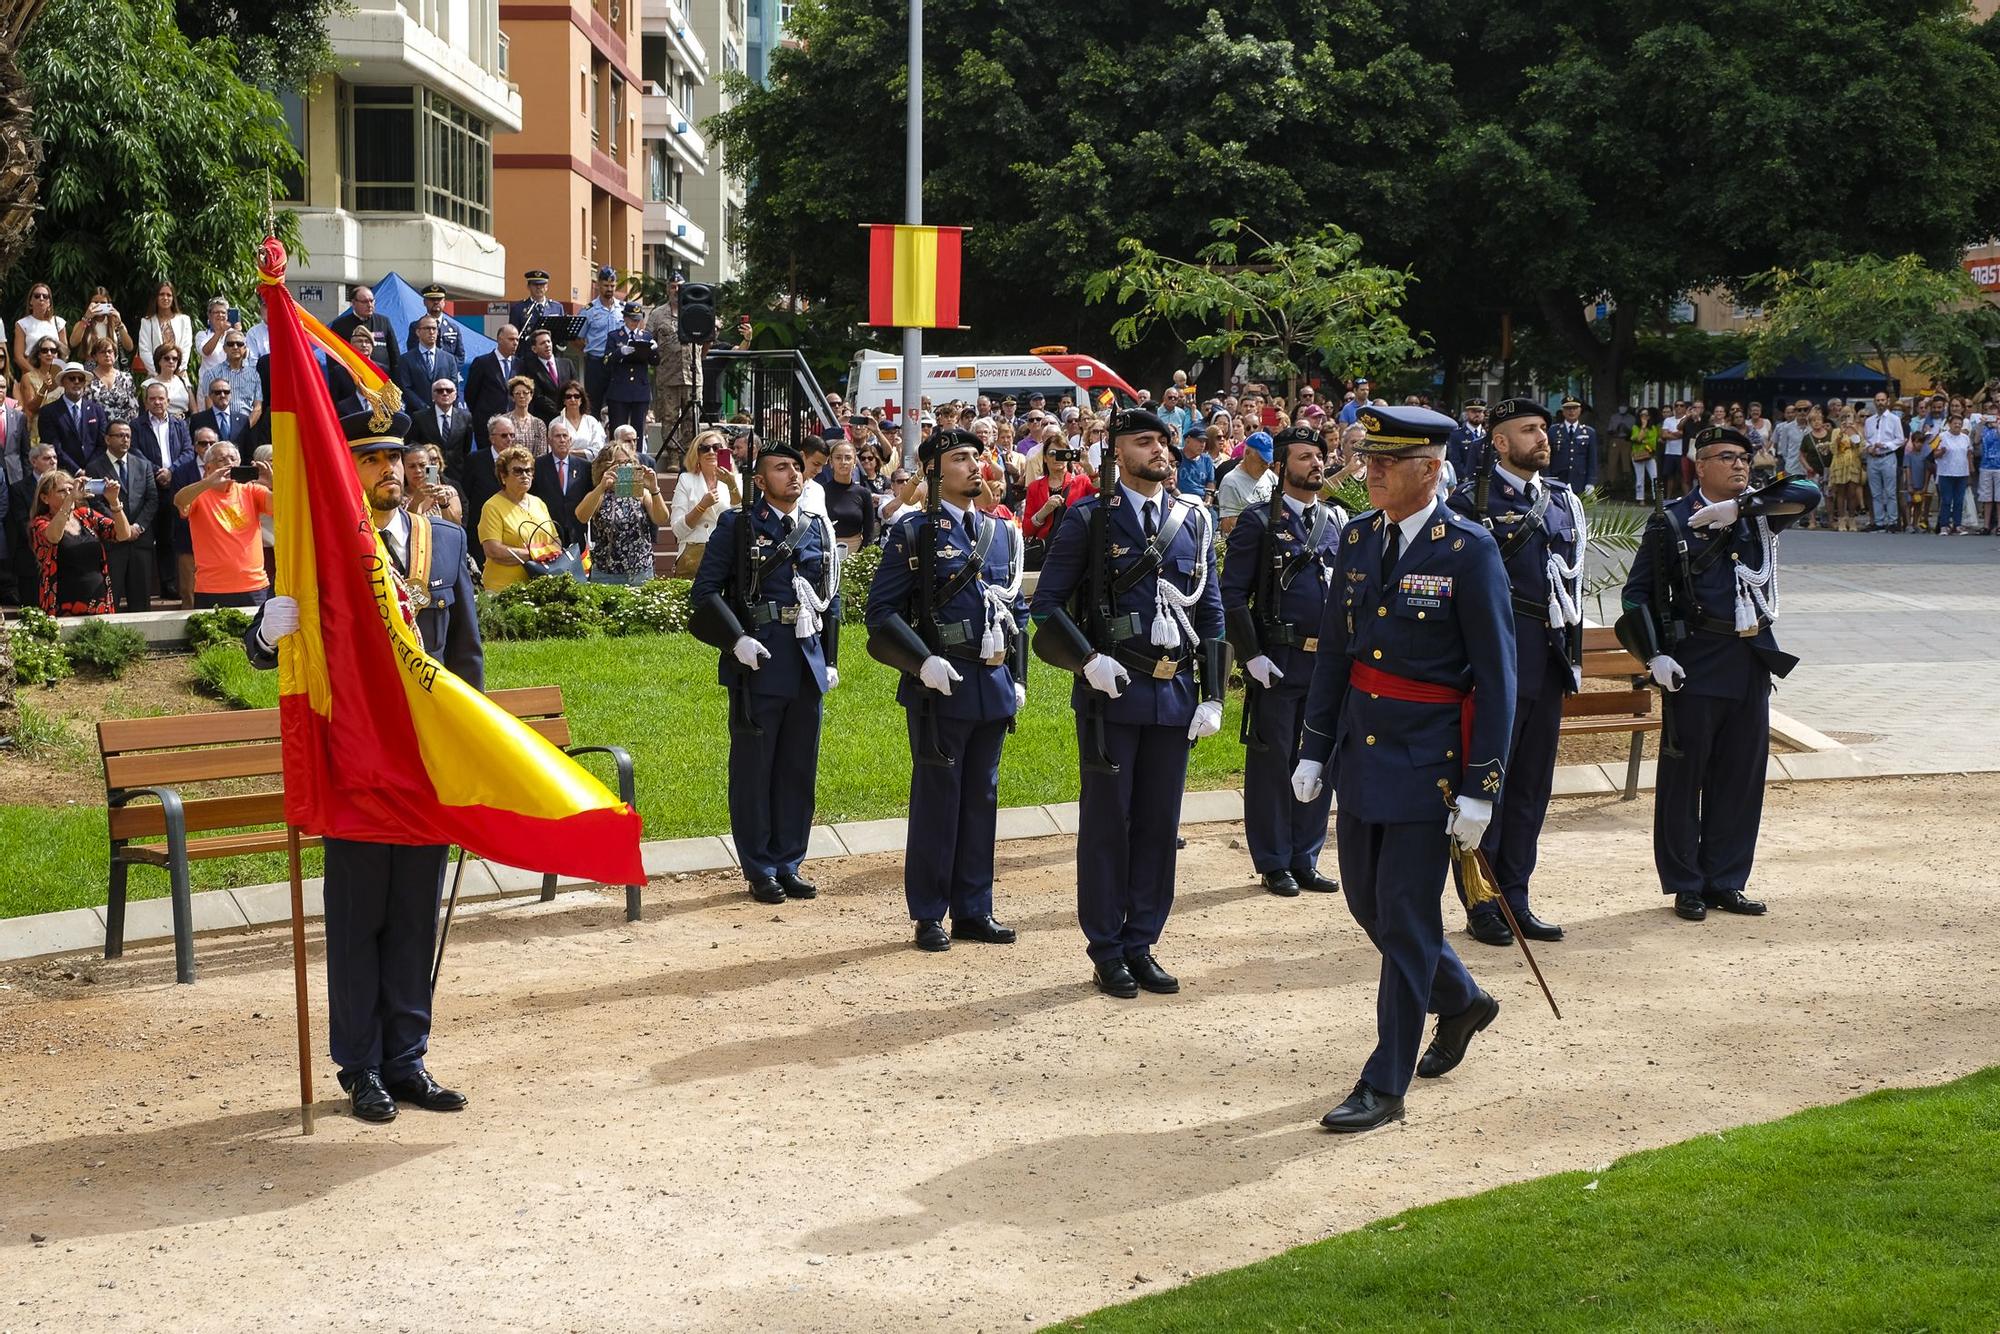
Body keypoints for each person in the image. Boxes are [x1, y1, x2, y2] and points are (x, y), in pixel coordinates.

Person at [244, 404, 481, 1123]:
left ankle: (407, 1058)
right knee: (358, 922)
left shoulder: (442, 542)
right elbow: (271, 653)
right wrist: (264, 629)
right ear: (347, 469)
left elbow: (465, 657)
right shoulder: (320, 550)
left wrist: (469, 758)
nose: (386, 471)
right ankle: (361, 1066)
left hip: (422, 767)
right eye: (370, 460)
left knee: (413, 918)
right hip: (353, 763)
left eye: (393, 458)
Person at [1290, 404, 1516, 1133]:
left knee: (1408, 916)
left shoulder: (1469, 549)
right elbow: (1335, 653)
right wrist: (1314, 745)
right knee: (1368, 905)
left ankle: (1384, 1081)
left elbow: (1498, 678)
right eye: (1369, 460)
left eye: (1388, 462)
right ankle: (1462, 998)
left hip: (1430, 767)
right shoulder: (1358, 538)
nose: (1372, 472)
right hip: (1362, 753)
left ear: (1431, 469)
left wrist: (1482, 787)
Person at [1028, 408, 1227, 999]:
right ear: (1117, 453)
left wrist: (1214, 693)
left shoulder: (1194, 520)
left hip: (1174, 696)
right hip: (1111, 694)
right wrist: (1089, 659)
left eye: (1164, 441)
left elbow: (1210, 611)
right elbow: (1047, 606)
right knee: (1108, 826)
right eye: (1145, 442)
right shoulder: (1091, 519)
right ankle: (1107, 949)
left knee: (1160, 826)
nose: (1160, 450)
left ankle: (1142, 941)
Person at [1618, 426, 1819, 923]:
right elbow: (1636, 594)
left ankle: (1726, 880)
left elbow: (1810, 492)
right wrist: (1654, 656)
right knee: (1686, 779)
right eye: (1726, 457)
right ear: (1700, 465)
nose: (1740, 466)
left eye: (1745, 457)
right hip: (1696, 661)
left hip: (1749, 660)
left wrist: (1742, 509)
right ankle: (1687, 883)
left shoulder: (1760, 512)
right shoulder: (1670, 521)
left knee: (1740, 778)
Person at [864, 427, 1027, 952]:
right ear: (933, 472)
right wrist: (921, 661)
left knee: (983, 798)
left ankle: (974, 908)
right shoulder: (913, 532)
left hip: (992, 682)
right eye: (961, 459)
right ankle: (930, 912)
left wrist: (1018, 677)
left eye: (977, 457)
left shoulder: (1000, 532)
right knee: (939, 800)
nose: (976, 466)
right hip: (941, 683)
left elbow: (1015, 610)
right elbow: (881, 613)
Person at [1445, 398, 1580, 947]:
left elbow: (1568, 586)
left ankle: (1516, 895)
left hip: (1546, 661)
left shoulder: (1562, 502)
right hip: (1494, 660)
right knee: (1484, 784)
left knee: (1530, 788)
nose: (1541, 438)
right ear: (1499, 442)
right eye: (1528, 430)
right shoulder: (1470, 500)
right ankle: (1481, 901)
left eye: (1544, 429)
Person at [689, 437, 842, 905]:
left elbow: (831, 598)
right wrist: (737, 640)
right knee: (755, 771)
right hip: (758, 662)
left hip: (805, 662)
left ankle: (789, 861)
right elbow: (705, 593)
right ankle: (759, 867)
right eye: (780, 468)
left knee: (798, 768)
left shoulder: (817, 529)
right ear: (759, 481)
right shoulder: (737, 526)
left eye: (797, 467)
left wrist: (831, 659)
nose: (793, 474)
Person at [1222, 424, 1346, 898]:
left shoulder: (1337, 522)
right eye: (1303, 457)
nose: (1314, 463)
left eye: (1318, 455)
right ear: (1280, 466)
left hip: (1326, 665)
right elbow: (1232, 596)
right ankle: (1274, 860)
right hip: (1277, 660)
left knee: (1318, 759)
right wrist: (1251, 655)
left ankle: (1306, 855)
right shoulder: (1257, 522)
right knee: (1273, 764)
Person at [173, 439, 275, 608]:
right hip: (212, 589)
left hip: (254, 586)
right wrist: (207, 482)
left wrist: (273, 483)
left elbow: (283, 507)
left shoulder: (251, 490)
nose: (229, 463)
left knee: (253, 634)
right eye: (222, 460)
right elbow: (179, 501)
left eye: (233, 459)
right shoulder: (199, 494)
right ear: (208, 468)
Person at [29, 467, 130, 615]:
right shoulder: (40, 522)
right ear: (45, 498)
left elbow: (123, 534)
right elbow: (53, 536)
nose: (70, 493)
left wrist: (114, 501)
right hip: (62, 605)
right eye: (62, 491)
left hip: (99, 601)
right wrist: (69, 501)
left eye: (71, 489)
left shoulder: (85, 515)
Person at [82, 419, 159, 611]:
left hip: (140, 540)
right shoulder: (94, 467)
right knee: (111, 596)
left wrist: (137, 527)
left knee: (141, 599)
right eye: (119, 435)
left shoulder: (143, 465)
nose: (125, 440)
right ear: (107, 439)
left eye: (128, 436)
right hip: (112, 542)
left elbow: (152, 500)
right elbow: (96, 502)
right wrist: (120, 526)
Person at [576, 438, 667, 584]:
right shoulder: (599, 494)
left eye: (628, 463)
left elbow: (662, 519)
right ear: (606, 467)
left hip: (640, 572)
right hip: (607, 574)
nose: (625, 467)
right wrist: (601, 486)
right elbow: (581, 516)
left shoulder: (641, 493)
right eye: (618, 464)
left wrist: (654, 489)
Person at [477, 444, 557, 592]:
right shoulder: (492, 506)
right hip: (503, 590)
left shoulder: (539, 503)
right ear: (503, 476)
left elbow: (556, 543)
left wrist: (525, 555)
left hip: (539, 588)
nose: (525, 475)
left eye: (529, 470)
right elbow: (493, 551)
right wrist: (538, 554)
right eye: (518, 471)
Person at [669, 427, 741, 576]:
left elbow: (742, 518)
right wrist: (702, 506)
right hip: (693, 555)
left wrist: (731, 485)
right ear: (697, 454)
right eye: (705, 449)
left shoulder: (736, 480)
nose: (711, 452)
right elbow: (678, 530)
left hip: (727, 553)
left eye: (717, 448)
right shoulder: (686, 479)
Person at [530, 418, 593, 550]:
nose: (562, 440)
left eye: (565, 436)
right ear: (549, 441)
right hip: (548, 531)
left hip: (577, 532)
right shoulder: (538, 465)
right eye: (558, 436)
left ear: (570, 441)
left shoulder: (585, 467)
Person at [39, 361, 108, 472]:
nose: (76, 382)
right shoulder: (48, 412)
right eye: (71, 378)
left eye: (80, 379)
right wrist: (77, 471)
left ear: (84, 383)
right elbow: (53, 446)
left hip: (94, 472)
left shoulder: (97, 410)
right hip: (63, 473)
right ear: (63, 382)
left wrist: (90, 469)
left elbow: (103, 443)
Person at [464, 324, 524, 450]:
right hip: (487, 427)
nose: (515, 343)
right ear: (500, 340)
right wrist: (480, 417)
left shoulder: (520, 365)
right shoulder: (482, 362)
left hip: (513, 428)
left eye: (517, 339)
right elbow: (470, 394)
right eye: (511, 339)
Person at [602, 304, 657, 438]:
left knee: (638, 433)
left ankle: (636, 458)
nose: (635, 323)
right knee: (618, 431)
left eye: (637, 319)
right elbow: (606, 361)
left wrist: (654, 350)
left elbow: (655, 362)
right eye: (632, 319)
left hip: (640, 390)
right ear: (625, 318)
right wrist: (619, 352)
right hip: (620, 390)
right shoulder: (615, 336)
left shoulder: (646, 337)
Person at [409, 379, 474, 490]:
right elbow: (414, 445)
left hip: (457, 471)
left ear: (455, 395)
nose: (444, 393)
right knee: (432, 498)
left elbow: (466, 448)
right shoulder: (420, 418)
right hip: (431, 470)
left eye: (449, 390)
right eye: (439, 391)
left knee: (455, 501)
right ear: (433, 396)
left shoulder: (466, 417)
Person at [819, 436, 879, 552]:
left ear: (855, 462)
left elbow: (869, 533)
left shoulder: (864, 493)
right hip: (826, 552)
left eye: (848, 458)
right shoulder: (821, 491)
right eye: (838, 458)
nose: (843, 462)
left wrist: (860, 557)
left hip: (856, 555)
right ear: (831, 462)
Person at [578, 265, 625, 413]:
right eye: (605, 285)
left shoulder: (623, 309)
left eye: (612, 285)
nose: (609, 289)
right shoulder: (588, 310)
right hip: (596, 363)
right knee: (593, 405)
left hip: (618, 363)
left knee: (618, 406)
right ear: (598, 285)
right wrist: (588, 351)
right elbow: (577, 338)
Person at [326, 285, 401, 377]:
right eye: (365, 302)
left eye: (372, 301)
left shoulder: (383, 322)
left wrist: (396, 380)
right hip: (353, 379)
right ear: (353, 303)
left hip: (381, 378)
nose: (369, 305)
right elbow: (333, 357)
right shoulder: (340, 325)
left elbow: (394, 354)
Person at [396, 314, 462, 408]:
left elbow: (454, 387)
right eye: (427, 328)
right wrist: (424, 409)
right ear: (418, 332)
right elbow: (405, 388)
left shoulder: (449, 359)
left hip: (443, 413)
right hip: (417, 415)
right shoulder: (406, 359)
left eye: (434, 328)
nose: (431, 332)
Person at [1216, 430, 1276, 531]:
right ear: (1247, 453)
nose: (1266, 466)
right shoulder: (1231, 482)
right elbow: (1228, 526)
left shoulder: (1270, 475)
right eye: (1262, 460)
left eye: (1268, 462)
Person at [133, 282, 192, 382]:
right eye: (161, 294)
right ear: (156, 297)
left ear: (173, 298)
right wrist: (158, 374)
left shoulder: (184, 320)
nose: (165, 298)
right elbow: (144, 350)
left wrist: (178, 369)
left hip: (179, 375)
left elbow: (186, 347)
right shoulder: (147, 322)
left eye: (169, 295)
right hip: (155, 376)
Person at [1862, 391, 1904, 531]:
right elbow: (1866, 439)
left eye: (1882, 400)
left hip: (1887, 457)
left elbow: (1900, 439)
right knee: (1876, 492)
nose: (1880, 403)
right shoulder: (1869, 421)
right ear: (1874, 402)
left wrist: (1885, 445)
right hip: (1873, 459)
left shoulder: (1894, 419)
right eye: (1877, 400)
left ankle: (1892, 521)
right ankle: (1879, 521)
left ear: (1887, 402)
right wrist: (1869, 448)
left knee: (1890, 492)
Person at [12, 283, 68, 376]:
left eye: (45, 296)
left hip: (54, 374)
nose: (41, 299)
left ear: (49, 302)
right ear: (30, 301)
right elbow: (18, 357)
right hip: (30, 373)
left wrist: (55, 372)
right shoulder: (22, 324)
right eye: (37, 296)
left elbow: (64, 353)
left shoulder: (59, 323)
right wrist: (37, 374)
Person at [402, 441, 463, 525]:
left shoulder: (448, 492)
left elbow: (457, 526)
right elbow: (406, 527)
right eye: (412, 466)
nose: (418, 470)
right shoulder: (397, 497)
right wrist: (416, 502)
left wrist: (443, 504)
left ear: (430, 465)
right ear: (403, 468)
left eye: (422, 465)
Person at [1547, 395, 1598, 494]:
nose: (1571, 411)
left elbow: (1592, 459)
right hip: (1557, 480)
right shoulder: (1553, 431)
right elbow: (1548, 457)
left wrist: (1591, 482)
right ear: (1563, 411)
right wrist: (1547, 478)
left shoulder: (1588, 432)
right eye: (1568, 408)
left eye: (1575, 408)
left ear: (1580, 410)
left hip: (1579, 480)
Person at [1933, 410, 1972, 536]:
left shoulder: (1965, 438)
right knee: (1946, 500)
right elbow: (1934, 454)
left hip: (1961, 473)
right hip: (1946, 472)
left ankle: (1957, 524)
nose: (1957, 426)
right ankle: (1944, 525)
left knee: (1959, 500)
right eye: (1955, 423)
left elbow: (1969, 453)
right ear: (1949, 424)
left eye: (1959, 424)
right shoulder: (1941, 436)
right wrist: (1942, 452)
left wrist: (1970, 470)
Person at [85, 338, 139, 426]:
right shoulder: (88, 380)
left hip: (124, 430)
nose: (107, 355)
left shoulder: (126, 378)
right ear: (95, 356)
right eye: (102, 352)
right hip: (98, 430)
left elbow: (134, 407)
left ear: (115, 354)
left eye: (110, 351)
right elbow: (87, 409)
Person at [406, 284, 466, 363]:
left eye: (439, 299)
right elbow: (412, 352)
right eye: (432, 299)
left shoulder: (453, 328)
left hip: (448, 373)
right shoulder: (416, 326)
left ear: (444, 302)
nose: (436, 302)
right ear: (424, 302)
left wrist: (448, 369)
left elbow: (460, 357)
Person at [1828, 405, 1866, 530]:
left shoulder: (1857, 431)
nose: (1846, 419)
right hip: (1840, 464)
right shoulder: (1835, 431)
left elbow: (1860, 447)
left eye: (1849, 416)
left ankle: (1852, 520)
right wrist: (1841, 434)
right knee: (1840, 493)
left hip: (1853, 464)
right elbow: (1833, 449)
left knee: (1852, 493)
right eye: (1843, 416)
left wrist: (1853, 431)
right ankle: (1841, 520)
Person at [187, 378, 248, 446]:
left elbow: (248, 450)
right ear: (210, 395)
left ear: (231, 394)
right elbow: (194, 447)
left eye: (226, 392)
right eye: (218, 392)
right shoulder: (198, 420)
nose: (222, 395)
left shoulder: (243, 420)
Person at [507, 269, 560, 340]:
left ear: (546, 287)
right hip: (527, 349)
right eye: (535, 284)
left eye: (542, 284)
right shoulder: (518, 309)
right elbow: (513, 336)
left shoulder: (556, 307)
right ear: (528, 287)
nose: (538, 287)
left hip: (549, 349)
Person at [557, 383, 606, 458]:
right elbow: (555, 451)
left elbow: (598, 450)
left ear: (581, 400)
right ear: (564, 400)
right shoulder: (556, 423)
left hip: (590, 466)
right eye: (568, 396)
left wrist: (571, 452)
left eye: (576, 396)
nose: (572, 400)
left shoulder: (592, 422)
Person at [502, 375, 547, 457]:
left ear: (531, 396)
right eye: (517, 393)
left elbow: (542, 454)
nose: (521, 396)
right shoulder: (504, 421)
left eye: (525, 393)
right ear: (512, 397)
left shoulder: (539, 424)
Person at [1446, 398, 1488, 479]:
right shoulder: (1456, 435)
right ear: (1467, 413)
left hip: (1484, 482)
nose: (1477, 414)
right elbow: (1455, 462)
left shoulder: (1488, 435)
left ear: (1484, 414)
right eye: (1473, 411)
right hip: (1464, 481)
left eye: (1480, 411)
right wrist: (1467, 478)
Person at [1175, 423, 1216, 507]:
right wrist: (1181, 499)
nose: (1202, 445)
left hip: (1201, 502)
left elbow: (1210, 483)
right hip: (1179, 501)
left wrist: (1208, 501)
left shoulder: (1207, 460)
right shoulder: (1176, 456)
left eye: (1204, 442)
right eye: (1200, 441)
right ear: (1188, 440)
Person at [1630, 407, 1660, 503]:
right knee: (1640, 478)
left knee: (1654, 476)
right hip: (1638, 455)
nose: (1644, 417)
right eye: (1642, 415)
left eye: (1646, 415)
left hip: (1650, 455)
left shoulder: (1653, 428)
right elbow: (1638, 439)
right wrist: (1643, 427)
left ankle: (1656, 498)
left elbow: (1653, 441)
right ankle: (1640, 498)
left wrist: (1643, 441)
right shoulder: (1635, 427)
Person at [1978, 411, 2000, 535]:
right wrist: (1981, 424)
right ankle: (1986, 525)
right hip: (1985, 465)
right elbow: (1976, 440)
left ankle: (1999, 526)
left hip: (1999, 466)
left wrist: (1997, 426)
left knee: (1999, 498)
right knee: (1987, 498)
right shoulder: (1984, 427)